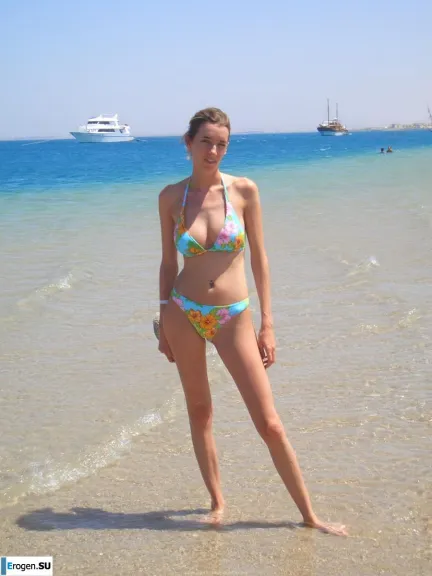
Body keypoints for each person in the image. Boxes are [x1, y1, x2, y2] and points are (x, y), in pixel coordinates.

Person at [157, 107, 347, 536]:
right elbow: (168, 264)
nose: (213, 151)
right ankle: (216, 503)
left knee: (270, 423)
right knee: (200, 411)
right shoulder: (170, 198)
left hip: (234, 317)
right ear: (188, 143)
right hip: (183, 313)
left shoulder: (243, 190)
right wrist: (163, 317)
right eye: (205, 142)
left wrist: (268, 324)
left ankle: (310, 516)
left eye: (221, 144)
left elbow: (260, 260)